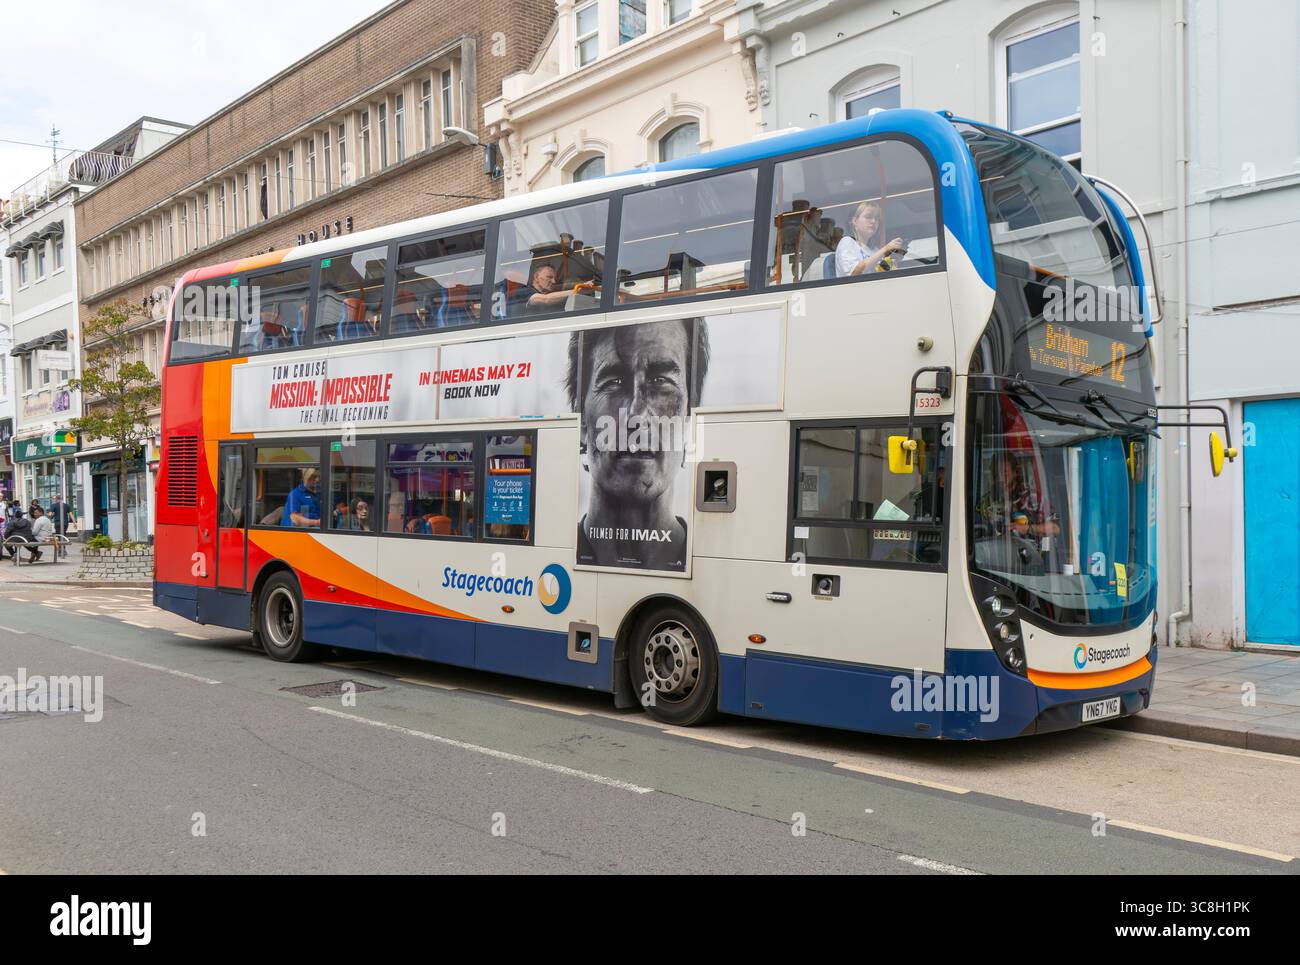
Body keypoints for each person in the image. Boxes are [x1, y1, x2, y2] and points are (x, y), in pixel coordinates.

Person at [566, 318, 708, 572]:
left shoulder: (709, 563)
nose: (636, 415)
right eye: (614, 382)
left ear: (690, 418)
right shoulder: (559, 551)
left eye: (661, 381)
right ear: (582, 423)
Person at [835, 201, 906, 277]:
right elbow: (854, 272)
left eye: (877, 218)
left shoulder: (874, 250)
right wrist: (886, 249)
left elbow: (882, 274)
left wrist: (894, 259)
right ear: (855, 221)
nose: (873, 221)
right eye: (868, 217)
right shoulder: (847, 242)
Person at [512, 263, 591, 316]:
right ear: (536, 277)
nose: (554, 281)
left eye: (554, 278)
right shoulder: (524, 291)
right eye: (549, 277)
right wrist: (577, 290)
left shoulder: (553, 295)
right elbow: (546, 299)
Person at [50, 493, 76, 559]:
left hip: (58, 523)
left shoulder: (53, 506)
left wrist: (50, 516)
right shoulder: (67, 505)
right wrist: (74, 523)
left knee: (58, 536)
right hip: (65, 523)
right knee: (63, 535)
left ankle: (60, 550)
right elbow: (71, 514)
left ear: (56, 499)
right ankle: (63, 549)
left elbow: (50, 515)